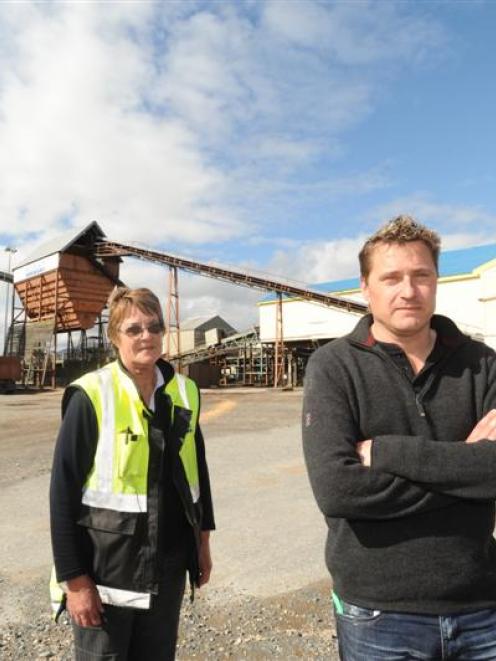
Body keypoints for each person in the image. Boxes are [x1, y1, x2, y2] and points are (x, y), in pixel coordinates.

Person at [302, 215, 496, 660]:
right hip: (379, 613)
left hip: (482, 604)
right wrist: (467, 467)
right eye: (391, 277)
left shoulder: (482, 364)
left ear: (436, 281)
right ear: (366, 288)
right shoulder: (333, 367)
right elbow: (338, 490)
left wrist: (390, 452)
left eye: (421, 276)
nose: (408, 291)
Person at [50, 287, 215, 661]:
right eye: (134, 329)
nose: (147, 336)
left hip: (167, 566)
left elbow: (198, 474)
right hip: (107, 574)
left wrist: (202, 544)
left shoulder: (184, 391)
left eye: (154, 327)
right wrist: (75, 582)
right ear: (114, 337)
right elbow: (62, 492)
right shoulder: (92, 395)